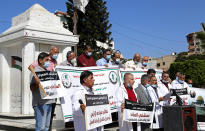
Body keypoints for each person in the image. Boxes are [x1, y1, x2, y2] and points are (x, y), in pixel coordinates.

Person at [28, 46, 59, 131]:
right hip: (40, 104)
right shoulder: (35, 72)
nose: (48, 62)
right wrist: (37, 84)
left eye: (49, 60)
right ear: (40, 61)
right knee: (40, 127)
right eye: (46, 60)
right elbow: (31, 88)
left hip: (49, 102)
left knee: (46, 127)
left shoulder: (48, 71)